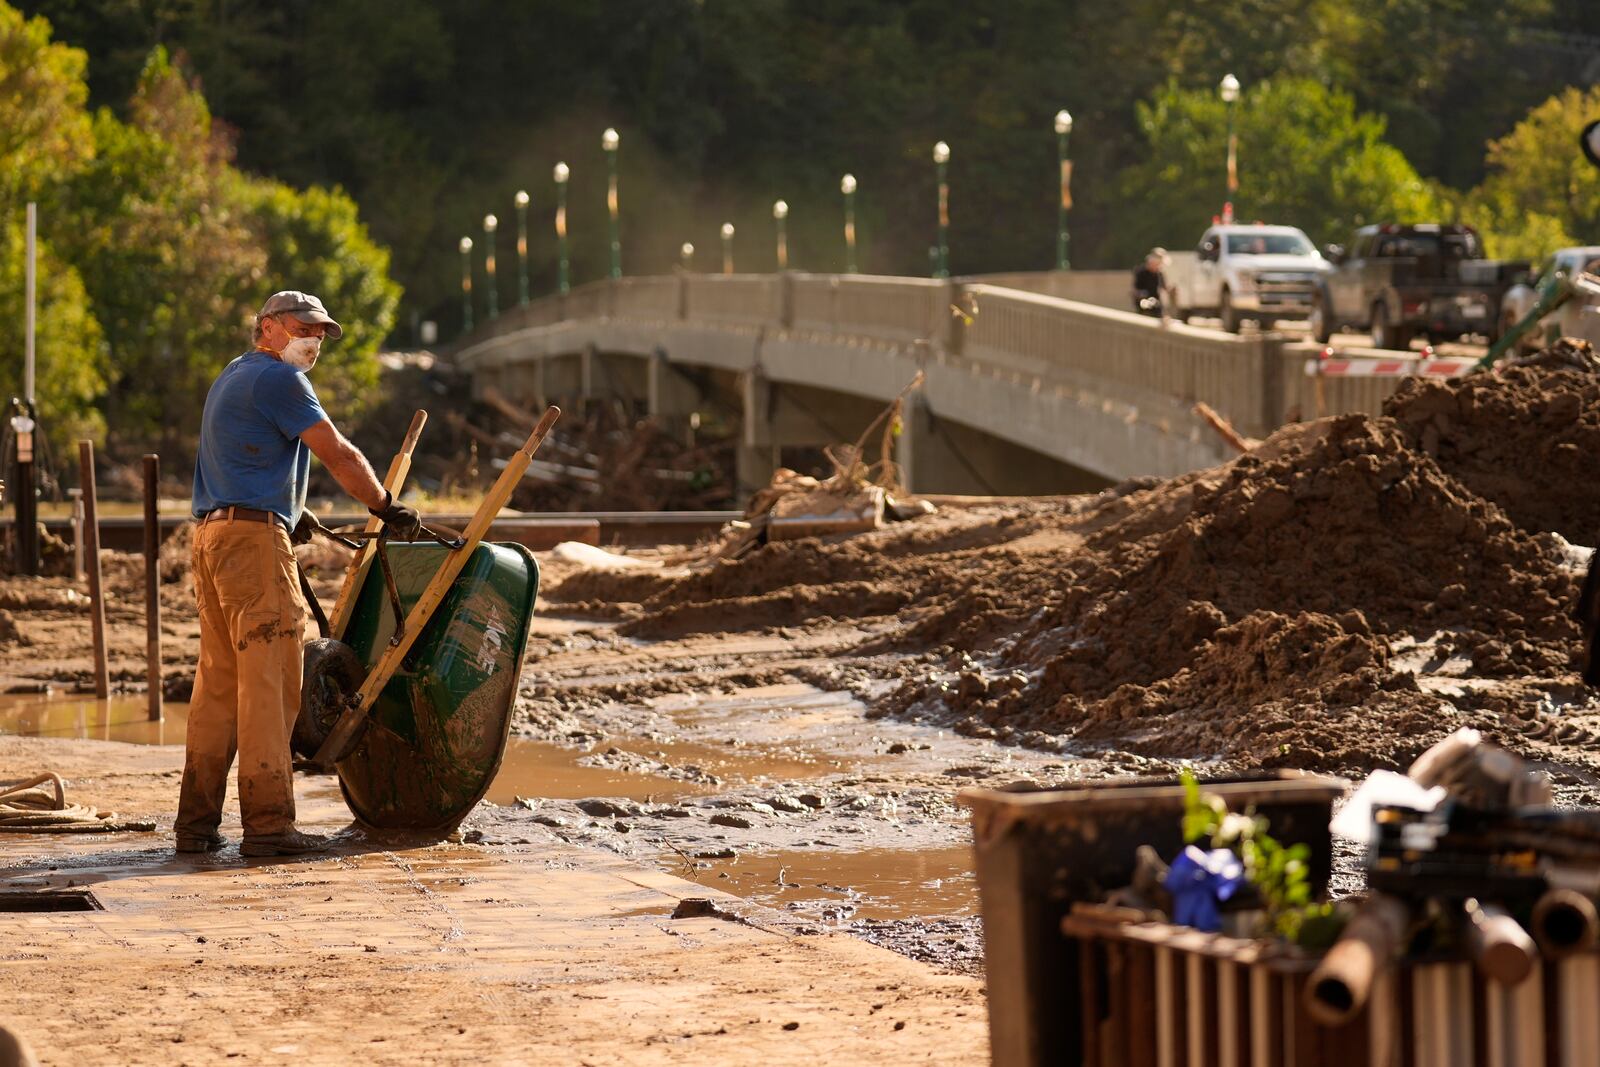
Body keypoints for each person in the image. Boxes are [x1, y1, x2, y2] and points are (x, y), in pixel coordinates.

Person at [175, 290, 422, 857]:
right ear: (267, 327)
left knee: (219, 688)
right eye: (303, 328)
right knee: (270, 683)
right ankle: (268, 827)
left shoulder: (233, 376)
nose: (313, 341)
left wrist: (287, 509)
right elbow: (336, 454)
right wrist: (385, 506)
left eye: (320, 333)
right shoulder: (282, 381)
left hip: (214, 539)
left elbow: (241, 455)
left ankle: (195, 825)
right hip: (252, 546)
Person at [1132, 248, 1169, 316]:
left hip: (1156, 304)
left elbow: (1164, 288)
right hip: (1144, 303)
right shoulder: (1141, 272)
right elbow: (1136, 290)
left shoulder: (1159, 274)